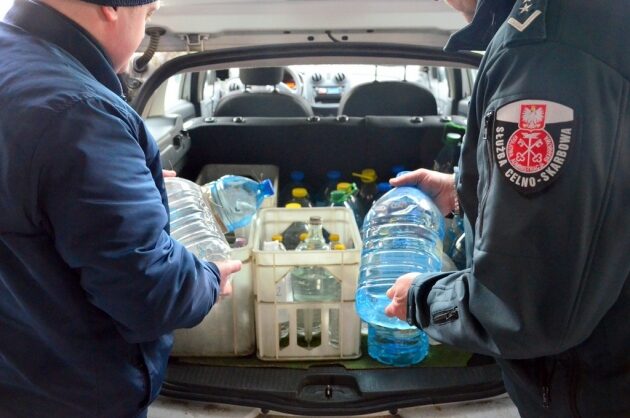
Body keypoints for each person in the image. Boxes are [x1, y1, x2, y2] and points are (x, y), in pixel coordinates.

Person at [385, 0, 629, 417]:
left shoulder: (541, 48)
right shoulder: (583, 23)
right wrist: (466, 193)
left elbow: (528, 307)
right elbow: (600, 195)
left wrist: (422, 298)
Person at [0, 1, 241, 417]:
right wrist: (208, 276)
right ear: (113, 7)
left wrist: (129, 186)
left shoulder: (14, 61)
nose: (145, 28)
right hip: (70, 394)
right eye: (147, 16)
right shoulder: (80, 113)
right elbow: (151, 292)